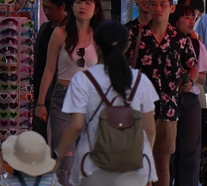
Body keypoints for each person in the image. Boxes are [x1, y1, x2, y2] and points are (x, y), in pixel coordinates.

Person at [54, 22, 158, 186]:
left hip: (92, 167)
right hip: (134, 169)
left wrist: (58, 157)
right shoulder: (141, 81)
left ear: (95, 44)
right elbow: (150, 131)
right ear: (127, 46)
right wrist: (146, 163)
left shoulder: (83, 80)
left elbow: (76, 126)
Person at [126, 0, 199, 186]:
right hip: (138, 107)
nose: (158, 9)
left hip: (168, 108)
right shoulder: (134, 34)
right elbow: (116, 62)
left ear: (171, 8)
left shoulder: (180, 39)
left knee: (162, 163)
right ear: (148, 6)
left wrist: (190, 81)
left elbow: (192, 65)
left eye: (163, 5)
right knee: (140, 161)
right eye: (154, 4)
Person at [37, 0, 103, 157]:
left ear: (95, 9)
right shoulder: (59, 33)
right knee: (65, 157)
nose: (82, 6)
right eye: (78, 2)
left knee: (86, 159)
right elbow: (49, 69)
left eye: (88, 3)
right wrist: (41, 102)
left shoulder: (98, 37)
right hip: (63, 97)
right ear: (71, 7)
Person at [172, 4, 207, 186]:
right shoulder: (166, 42)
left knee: (190, 149)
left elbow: (203, 77)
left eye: (193, 18)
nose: (191, 21)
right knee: (168, 148)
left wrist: (191, 80)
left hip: (190, 100)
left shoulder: (197, 44)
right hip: (168, 99)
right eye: (187, 17)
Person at [32, 0, 68, 139]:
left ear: (63, 7)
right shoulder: (44, 28)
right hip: (40, 90)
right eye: (44, 7)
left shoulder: (67, 32)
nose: (46, 12)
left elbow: (52, 67)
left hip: (57, 93)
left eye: (50, 8)